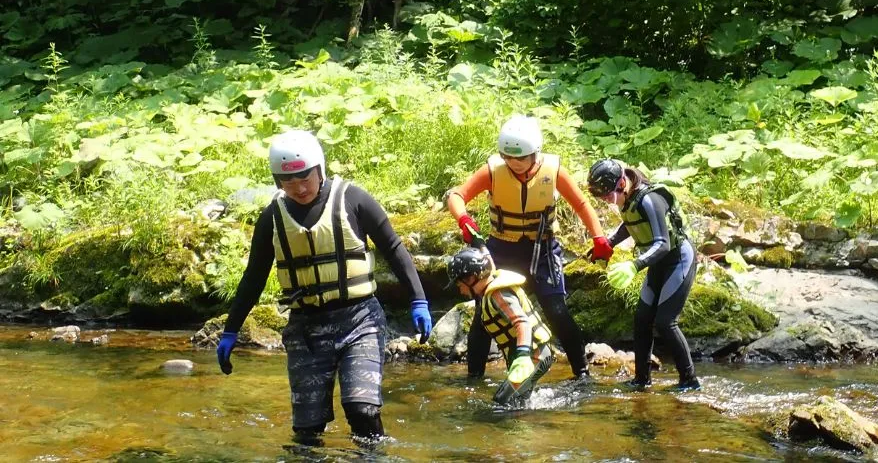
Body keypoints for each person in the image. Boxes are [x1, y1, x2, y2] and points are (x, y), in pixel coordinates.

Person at [215, 130, 434, 445]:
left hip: (359, 321)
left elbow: (394, 249)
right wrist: (231, 330)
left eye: (306, 179)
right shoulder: (271, 218)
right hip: (306, 329)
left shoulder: (353, 199)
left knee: (361, 409)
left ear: (320, 169)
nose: (299, 189)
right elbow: (253, 277)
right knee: (307, 431)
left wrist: (418, 301)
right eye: (289, 183)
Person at [445, 115, 613, 380]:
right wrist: (464, 220)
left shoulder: (553, 170)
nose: (515, 164)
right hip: (502, 248)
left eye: (521, 159)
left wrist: (599, 238)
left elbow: (582, 204)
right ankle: (474, 379)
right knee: (483, 314)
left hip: (543, 249)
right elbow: (456, 196)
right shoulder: (493, 170)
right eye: (509, 158)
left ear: (535, 153)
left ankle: (582, 374)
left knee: (557, 311)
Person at [586, 158, 701, 392]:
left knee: (665, 322)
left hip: (678, 259)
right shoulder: (627, 199)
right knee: (641, 320)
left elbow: (663, 243)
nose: (606, 200)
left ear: (621, 183)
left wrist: (634, 265)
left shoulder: (649, 199)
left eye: (608, 195)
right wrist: (608, 243)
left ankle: (690, 381)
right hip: (657, 263)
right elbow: (630, 224)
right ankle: (641, 380)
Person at [446, 246, 556, 406]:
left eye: (459, 283)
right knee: (518, 402)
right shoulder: (488, 294)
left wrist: (523, 356)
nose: (460, 289)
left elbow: (522, 322)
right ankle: (528, 424)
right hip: (531, 357)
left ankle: (523, 429)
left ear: (471, 278)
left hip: (534, 356)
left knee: (503, 401)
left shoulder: (498, 294)